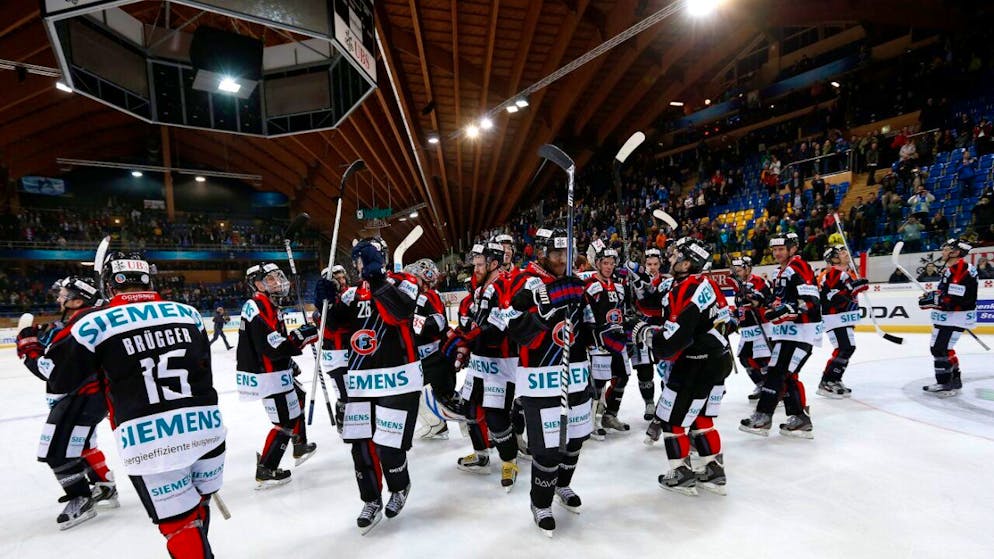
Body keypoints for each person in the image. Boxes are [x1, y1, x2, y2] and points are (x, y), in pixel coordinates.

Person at [43, 252, 225, 557]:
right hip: (207, 427)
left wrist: (30, 346)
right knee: (198, 504)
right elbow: (203, 365)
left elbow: (57, 378)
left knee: (179, 524)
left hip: (149, 440)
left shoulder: (94, 323)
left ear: (109, 285)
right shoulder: (189, 313)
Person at [326, 237, 423, 533]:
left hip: (397, 379)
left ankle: (400, 486)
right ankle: (370, 499)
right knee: (361, 447)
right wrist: (325, 303)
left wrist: (378, 278)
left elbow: (399, 314)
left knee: (388, 447)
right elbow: (334, 328)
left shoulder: (405, 281)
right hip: (361, 382)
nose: (361, 265)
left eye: (367, 258)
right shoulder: (352, 293)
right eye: (358, 259)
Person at [503, 228, 595, 536]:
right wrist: (549, 300)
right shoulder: (527, 280)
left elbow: (589, 327)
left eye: (567, 253)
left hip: (576, 376)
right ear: (544, 253)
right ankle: (540, 502)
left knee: (574, 442)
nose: (562, 259)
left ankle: (562, 485)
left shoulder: (578, 283)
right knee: (547, 449)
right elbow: (515, 329)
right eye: (556, 253)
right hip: (540, 380)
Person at [16, 276, 117, 530]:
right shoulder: (91, 319)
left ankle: (80, 498)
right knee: (82, 445)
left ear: (78, 301)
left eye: (63, 295)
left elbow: (50, 371)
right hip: (94, 396)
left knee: (56, 452)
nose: (59, 298)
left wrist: (27, 348)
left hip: (80, 397)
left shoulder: (78, 326)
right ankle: (105, 486)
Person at [637, 237, 733, 496]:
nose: (670, 258)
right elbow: (655, 305)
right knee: (701, 416)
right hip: (717, 359)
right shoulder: (699, 283)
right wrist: (638, 287)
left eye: (675, 255)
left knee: (671, 420)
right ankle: (713, 471)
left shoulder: (687, 289)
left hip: (695, 362)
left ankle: (680, 473)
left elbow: (672, 342)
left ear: (687, 263)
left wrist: (646, 334)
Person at [444, 240, 525, 489]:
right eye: (475, 264)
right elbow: (474, 326)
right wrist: (462, 345)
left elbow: (495, 332)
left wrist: (466, 337)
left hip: (501, 364)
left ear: (494, 263)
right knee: (471, 411)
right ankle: (481, 456)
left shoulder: (505, 287)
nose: (475, 269)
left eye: (480, 265)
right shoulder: (480, 290)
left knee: (496, 416)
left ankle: (509, 461)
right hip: (480, 362)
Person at [236, 262, 318, 489]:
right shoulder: (255, 306)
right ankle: (266, 467)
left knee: (298, 396)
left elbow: (276, 342)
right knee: (284, 422)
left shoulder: (271, 305)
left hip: (276, 370)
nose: (278, 282)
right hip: (267, 375)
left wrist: (289, 361)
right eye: (270, 279)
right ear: (258, 284)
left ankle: (299, 444)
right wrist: (299, 338)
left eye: (278, 277)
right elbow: (271, 346)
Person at [739, 233, 821, 438]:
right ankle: (799, 418)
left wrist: (786, 310)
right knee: (785, 374)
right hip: (786, 332)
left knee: (777, 372)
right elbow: (776, 300)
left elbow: (810, 301)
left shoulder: (799, 266)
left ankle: (763, 416)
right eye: (774, 249)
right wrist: (758, 301)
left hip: (801, 332)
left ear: (793, 249)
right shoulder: (779, 271)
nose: (777, 253)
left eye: (781, 249)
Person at [408, 258, 467, 441]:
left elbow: (438, 322)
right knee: (432, 395)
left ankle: (470, 424)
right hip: (432, 357)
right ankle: (439, 426)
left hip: (435, 358)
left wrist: (411, 323)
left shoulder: (428, 295)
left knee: (440, 397)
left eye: (413, 277)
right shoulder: (424, 296)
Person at [919, 239, 978, 397]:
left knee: (939, 349)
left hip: (954, 317)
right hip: (952, 317)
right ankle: (955, 380)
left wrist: (933, 301)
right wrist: (934, 296)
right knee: (945, 348)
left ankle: (945, 383)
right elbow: (947, 293)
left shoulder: (959, 269)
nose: (943, 252)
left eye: (946, 249)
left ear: (956, 252)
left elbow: (954, 299)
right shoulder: (954, 268)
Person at [584, 242, 631, 438]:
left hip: (617, 339)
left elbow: (623, 312)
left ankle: (610, 415)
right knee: (598, 381)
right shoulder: (591, 286)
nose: (609, 267)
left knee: (623, 377)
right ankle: (592, 421)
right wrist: (590, 339)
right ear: (597, 263)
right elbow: (585, 315)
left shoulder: (619, 286)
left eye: (612, 263)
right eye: (605, 263)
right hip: (598, 340)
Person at [817, 246, 869, 398]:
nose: (846, 253)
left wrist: (857, 287)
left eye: (846, 251)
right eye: (841, 252)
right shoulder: (834, 273)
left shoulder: (846, 274)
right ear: (833, 258)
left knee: (847, 348)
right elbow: (834, 298)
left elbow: (847, 294)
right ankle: (827, 381)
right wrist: (853, 287)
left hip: (843, 317)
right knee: (845, 348)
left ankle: (835, 379)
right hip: (835, 318)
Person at [629, 248, 666, 420]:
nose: (652, 267)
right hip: (642, 328)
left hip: (663, 329)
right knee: (644, 371)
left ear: (660, 264)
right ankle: (649, 403)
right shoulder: (634, 280)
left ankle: (665, 402)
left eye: (655, 264)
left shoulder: (667, 281)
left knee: (667, 369)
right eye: (649, 264)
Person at [315, 264, 351, 432]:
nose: (341, 281)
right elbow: (331, 326)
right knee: (344, 394)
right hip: (335, 356)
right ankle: (343, 421)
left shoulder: (351, 294)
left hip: (354, 352)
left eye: (343, 277)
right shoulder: (323, 304)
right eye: (337, 279)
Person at [730, 257, 773, 400]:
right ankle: (761, 385)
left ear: (748, 269)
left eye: (739, 271)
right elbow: (741, 307)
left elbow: (768, 299)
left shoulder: (758, 281)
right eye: (735, 271)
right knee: (745, 359)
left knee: (763, 360)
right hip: (748, 328)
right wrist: (734, 314)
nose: (736, 274)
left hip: (762, 326)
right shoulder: (739, 285)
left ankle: (773, 389)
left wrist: (754, 298)